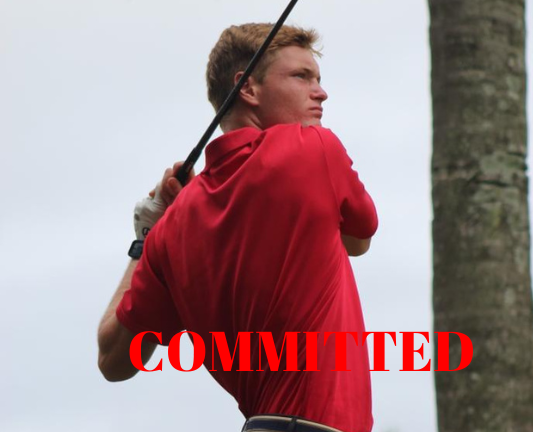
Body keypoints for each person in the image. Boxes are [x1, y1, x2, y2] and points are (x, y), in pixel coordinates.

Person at [97, 23, 378, 432]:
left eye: (317, 78)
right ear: (247, 88)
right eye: (301, 76)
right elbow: (358, 239)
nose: (321, 92)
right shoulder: (312, 149)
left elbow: (113, 361)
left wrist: (146, 239)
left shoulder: (173, 227)